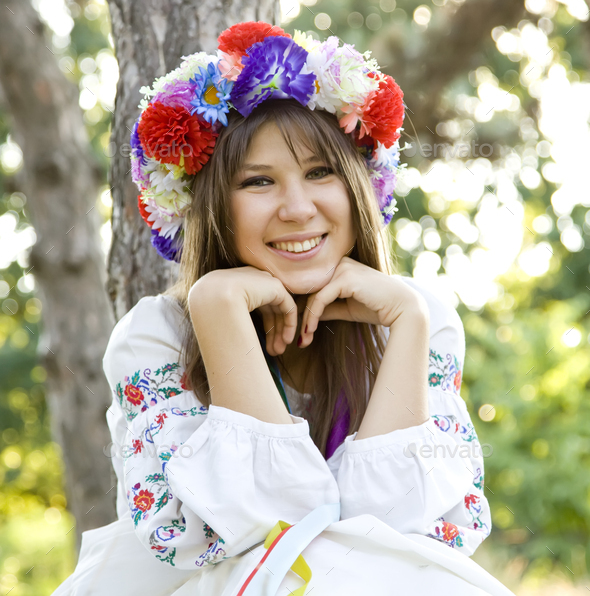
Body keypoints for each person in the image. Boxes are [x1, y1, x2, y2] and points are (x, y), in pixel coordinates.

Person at [51, 21, 516, 596]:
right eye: (258, 182)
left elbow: (408, 541)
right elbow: (249, 535)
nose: (298, 208)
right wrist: (217, 309)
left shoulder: (418, 319)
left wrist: (409, 322)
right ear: (213, 206)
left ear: (359, 186)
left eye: (320, 172)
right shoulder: (157, 337)